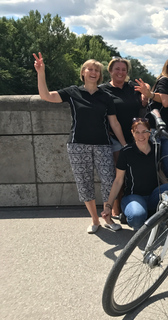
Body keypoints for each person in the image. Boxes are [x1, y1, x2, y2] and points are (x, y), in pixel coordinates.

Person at [33, 52, 124, 234]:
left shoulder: (105, 96)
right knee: (84, 183)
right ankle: (95, 220)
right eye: (89, 69)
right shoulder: (73, 92)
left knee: (108, 181)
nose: (93, 72)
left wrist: (124, 144)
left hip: (102, 145)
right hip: (77, 144)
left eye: (96, 70)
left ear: (100, 75)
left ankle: (107, 215)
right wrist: (41, 72)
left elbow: (114, 122)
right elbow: (46, 96)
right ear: (83, 72)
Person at [101, 118, 168, 230]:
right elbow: (118, 180)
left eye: (144, 131)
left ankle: (151, 214)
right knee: (137, 217)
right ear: (132, 133)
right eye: (137, 132)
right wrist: (108, 206)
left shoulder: (156, 149)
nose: (141, 136)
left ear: (150, 131)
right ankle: (136, 215)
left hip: (154, 195)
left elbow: (159, 171)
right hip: (133, 196)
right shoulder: (126, 152)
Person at [100, 57, 149, 217]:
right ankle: (116, 209)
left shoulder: (132, 88)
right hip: (115, 138)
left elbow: (146, 89)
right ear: (110, 71)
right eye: (117, 69)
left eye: (123, 69)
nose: (120, 72)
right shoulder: (103, 90)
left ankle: (132, 204)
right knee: (118, 172)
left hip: (136, 137)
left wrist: (145, 95)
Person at [135, 56, 168, 179]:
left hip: (166, 130)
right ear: (166, 68)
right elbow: (166, 102)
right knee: (157, 165)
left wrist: (151, 94)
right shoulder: (165, 81)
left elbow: (162, 98)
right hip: (155, 128)